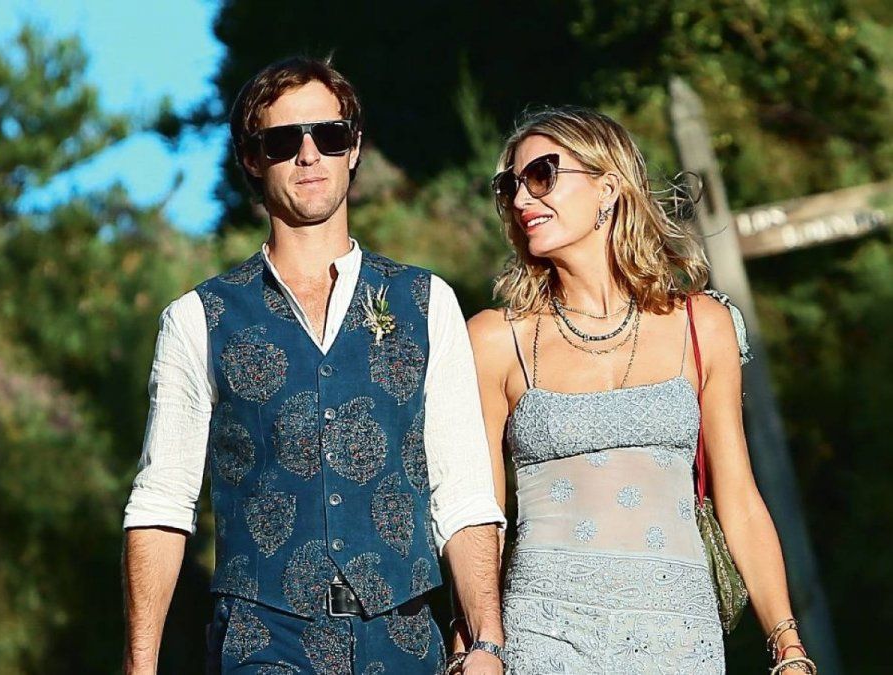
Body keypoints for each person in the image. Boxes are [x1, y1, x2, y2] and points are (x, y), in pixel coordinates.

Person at [121, 56, 507, 675]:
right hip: (261, 643)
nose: (309, 155)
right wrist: (141, 665)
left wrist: (486, 640)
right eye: (283, 141)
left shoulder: (426, 301)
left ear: (353, 149)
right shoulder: (198, 318)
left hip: (403, 642)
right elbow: (163, 504)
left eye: (328, 135)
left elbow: (461, 493)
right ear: (252, 158)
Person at [467, 107, 813, 674]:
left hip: (680, 638)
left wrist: (787, 645)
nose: (523, 198)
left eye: (542, 175)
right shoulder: (496, 339)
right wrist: (478, 645)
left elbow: (739, 497)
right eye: (510, 186)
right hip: (544, 634)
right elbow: (479, 515)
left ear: (608, 187)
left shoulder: (703, 325)